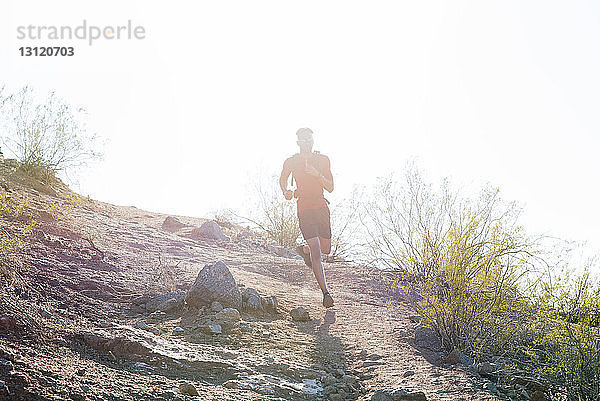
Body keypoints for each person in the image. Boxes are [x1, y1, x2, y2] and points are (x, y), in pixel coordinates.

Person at [279, 128, 335, 308]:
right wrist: (286, 191)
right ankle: (326, 293)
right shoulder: (291, 162)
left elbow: (331, 187)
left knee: (325, 249)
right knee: (317, 250)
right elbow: (282, 179)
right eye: (303, 140)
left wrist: (316, 174)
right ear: (298, 142)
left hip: (321, 207)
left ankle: (304, 250)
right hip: (304, 208)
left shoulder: (323, 160)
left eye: (309, 139)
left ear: (313, 140)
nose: (307, 143)